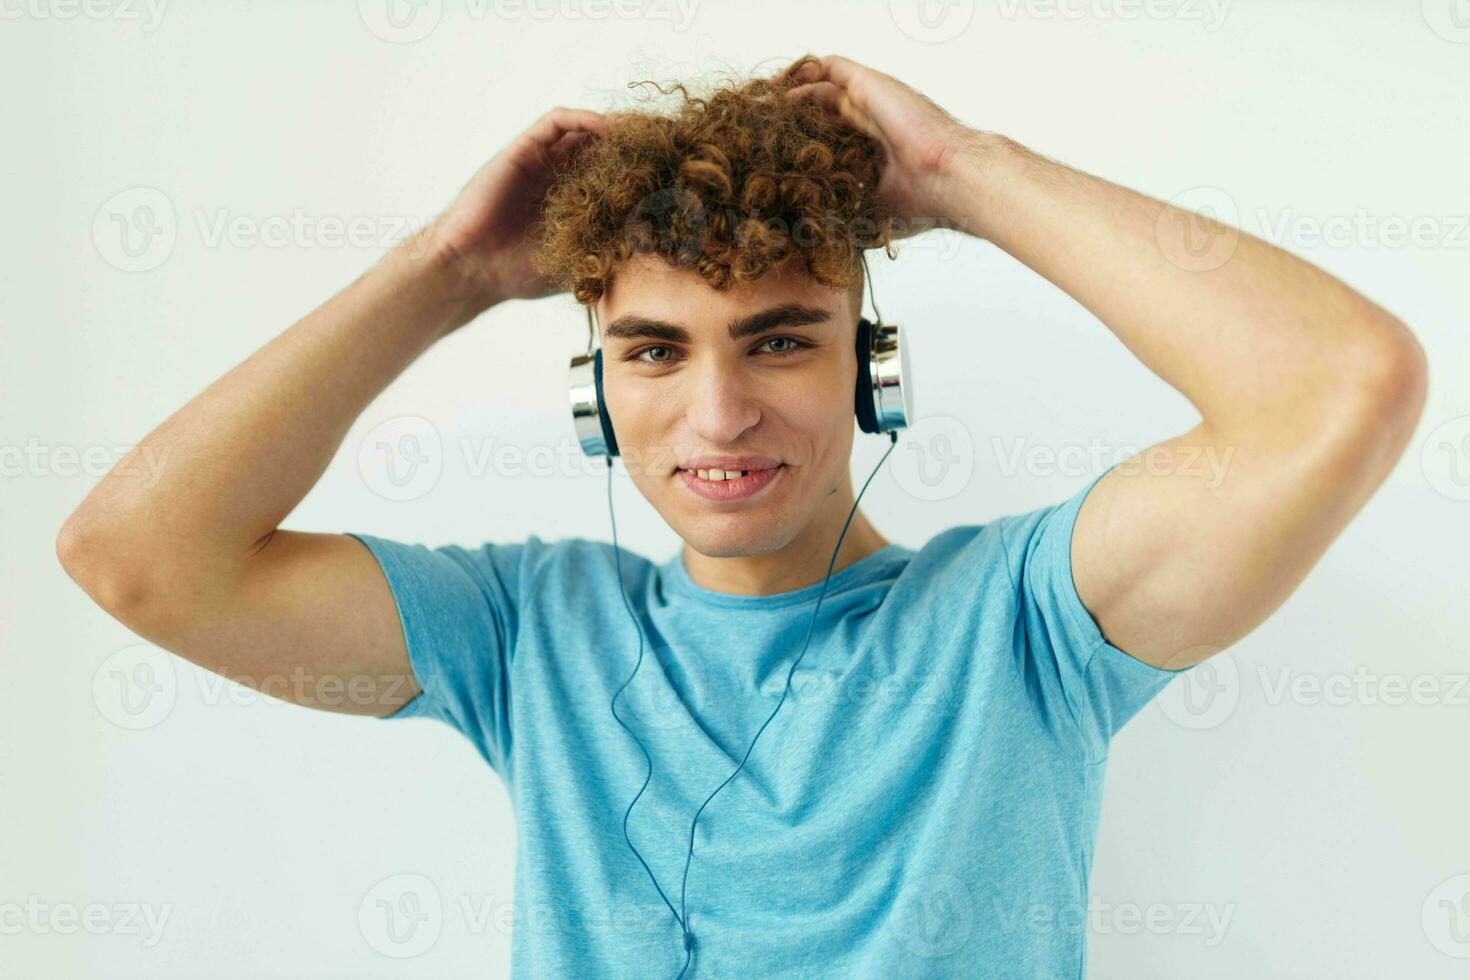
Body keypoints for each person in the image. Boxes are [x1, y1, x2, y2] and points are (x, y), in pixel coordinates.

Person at [56, 53, 1427, 977]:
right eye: (654, 351)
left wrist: (955, 169)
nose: (717, 417)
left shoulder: (1027, 620)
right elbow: (132, 559)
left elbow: (1339, 386)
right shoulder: (530, 635)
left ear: (866, 367)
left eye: (777, 341)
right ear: (595, 388)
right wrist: (451, 268)